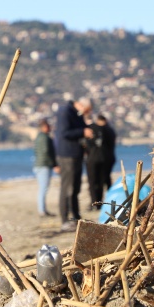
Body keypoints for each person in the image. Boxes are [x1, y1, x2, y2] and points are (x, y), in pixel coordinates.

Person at [54, 97, 94, 232]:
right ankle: (64, 220)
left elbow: (80, 129)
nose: (86, 114)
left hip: (77, 154)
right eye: (86, 111)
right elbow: (64, 133)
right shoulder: (65, 111)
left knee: (76, 188)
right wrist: (83, 132)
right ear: (81, 105)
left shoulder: (77, 114)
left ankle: (76, 217)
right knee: (66, 188)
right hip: (67, 155)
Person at [85, 114, 116, 210]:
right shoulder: (109, 130)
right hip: (106, 159)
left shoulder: (91, 128)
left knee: (93, 182)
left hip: (93, 158)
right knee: (104, 181)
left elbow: (86, 143)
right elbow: (112, 145)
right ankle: (103, 202)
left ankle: (95, 203)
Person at [33, 118, 57, 217]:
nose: (50, 128)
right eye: (48, 126)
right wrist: (54, 164)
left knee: (42, 188)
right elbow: (46, 151)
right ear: (43, 127)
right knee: (43, 188)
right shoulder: (45, 138)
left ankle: (42, 209)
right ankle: (42, 210)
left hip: (39, 164)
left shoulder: (38, 137)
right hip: (44, 165)